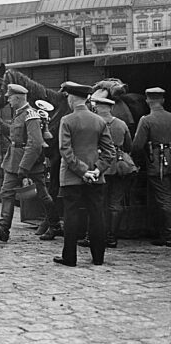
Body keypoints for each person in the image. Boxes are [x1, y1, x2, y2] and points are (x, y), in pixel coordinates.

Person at [0, 84, 58, 242]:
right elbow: (15, 136)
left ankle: (54, 225)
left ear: (17, 98)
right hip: (14, 160)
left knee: (43, 194)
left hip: (30, 162)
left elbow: (35, 143)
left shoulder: (31, 115)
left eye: (10, 97)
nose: (8, 100)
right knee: (6, 193)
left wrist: (24, 167)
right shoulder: (19, 114)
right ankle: (3, 229)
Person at [53, 82, 115, 267]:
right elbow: (110, 151)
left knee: (71, 216)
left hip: (72, 178)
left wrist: (82, 171)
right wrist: (96, 170)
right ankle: (98, 258)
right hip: (96, 178)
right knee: (97, 215)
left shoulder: (67, 120)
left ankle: (70, 258)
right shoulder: (99, 121)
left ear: (71, 98)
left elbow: (65, 150)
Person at [131, 87, 171, 247]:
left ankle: (167, 235)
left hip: (158, 163)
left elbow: (137, 146)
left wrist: (136, 162)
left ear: (148, 101)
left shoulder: (146, 120)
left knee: (163, 199)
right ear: (162, 100)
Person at [91, 96, 132, 248]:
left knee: (97, 202)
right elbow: (129, 146)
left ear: (97, 107)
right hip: (119, 166)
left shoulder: (93, 122)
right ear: (111, 108)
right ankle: (112, 237)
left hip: (99, 165)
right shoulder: (121, 124)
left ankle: (94, 236)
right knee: (115, 203)